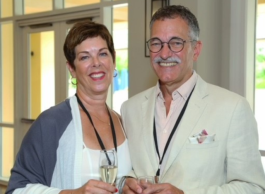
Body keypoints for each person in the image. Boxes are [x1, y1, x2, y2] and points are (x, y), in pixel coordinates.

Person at [120, 5, 265, 194]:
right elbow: (126, 169)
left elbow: (253, 188)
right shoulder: (129, 109)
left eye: (176, 43)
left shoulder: (233, 108)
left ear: (196, 50)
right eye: (156, 43)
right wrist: (125, 183)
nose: (164, 54)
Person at [6, 20, 132, 194]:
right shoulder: (51, 123)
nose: (96, 63)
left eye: (103, 54)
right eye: (85, 57)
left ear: (113, 60)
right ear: (72, 68)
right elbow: (16, 190)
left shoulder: (123, 121)